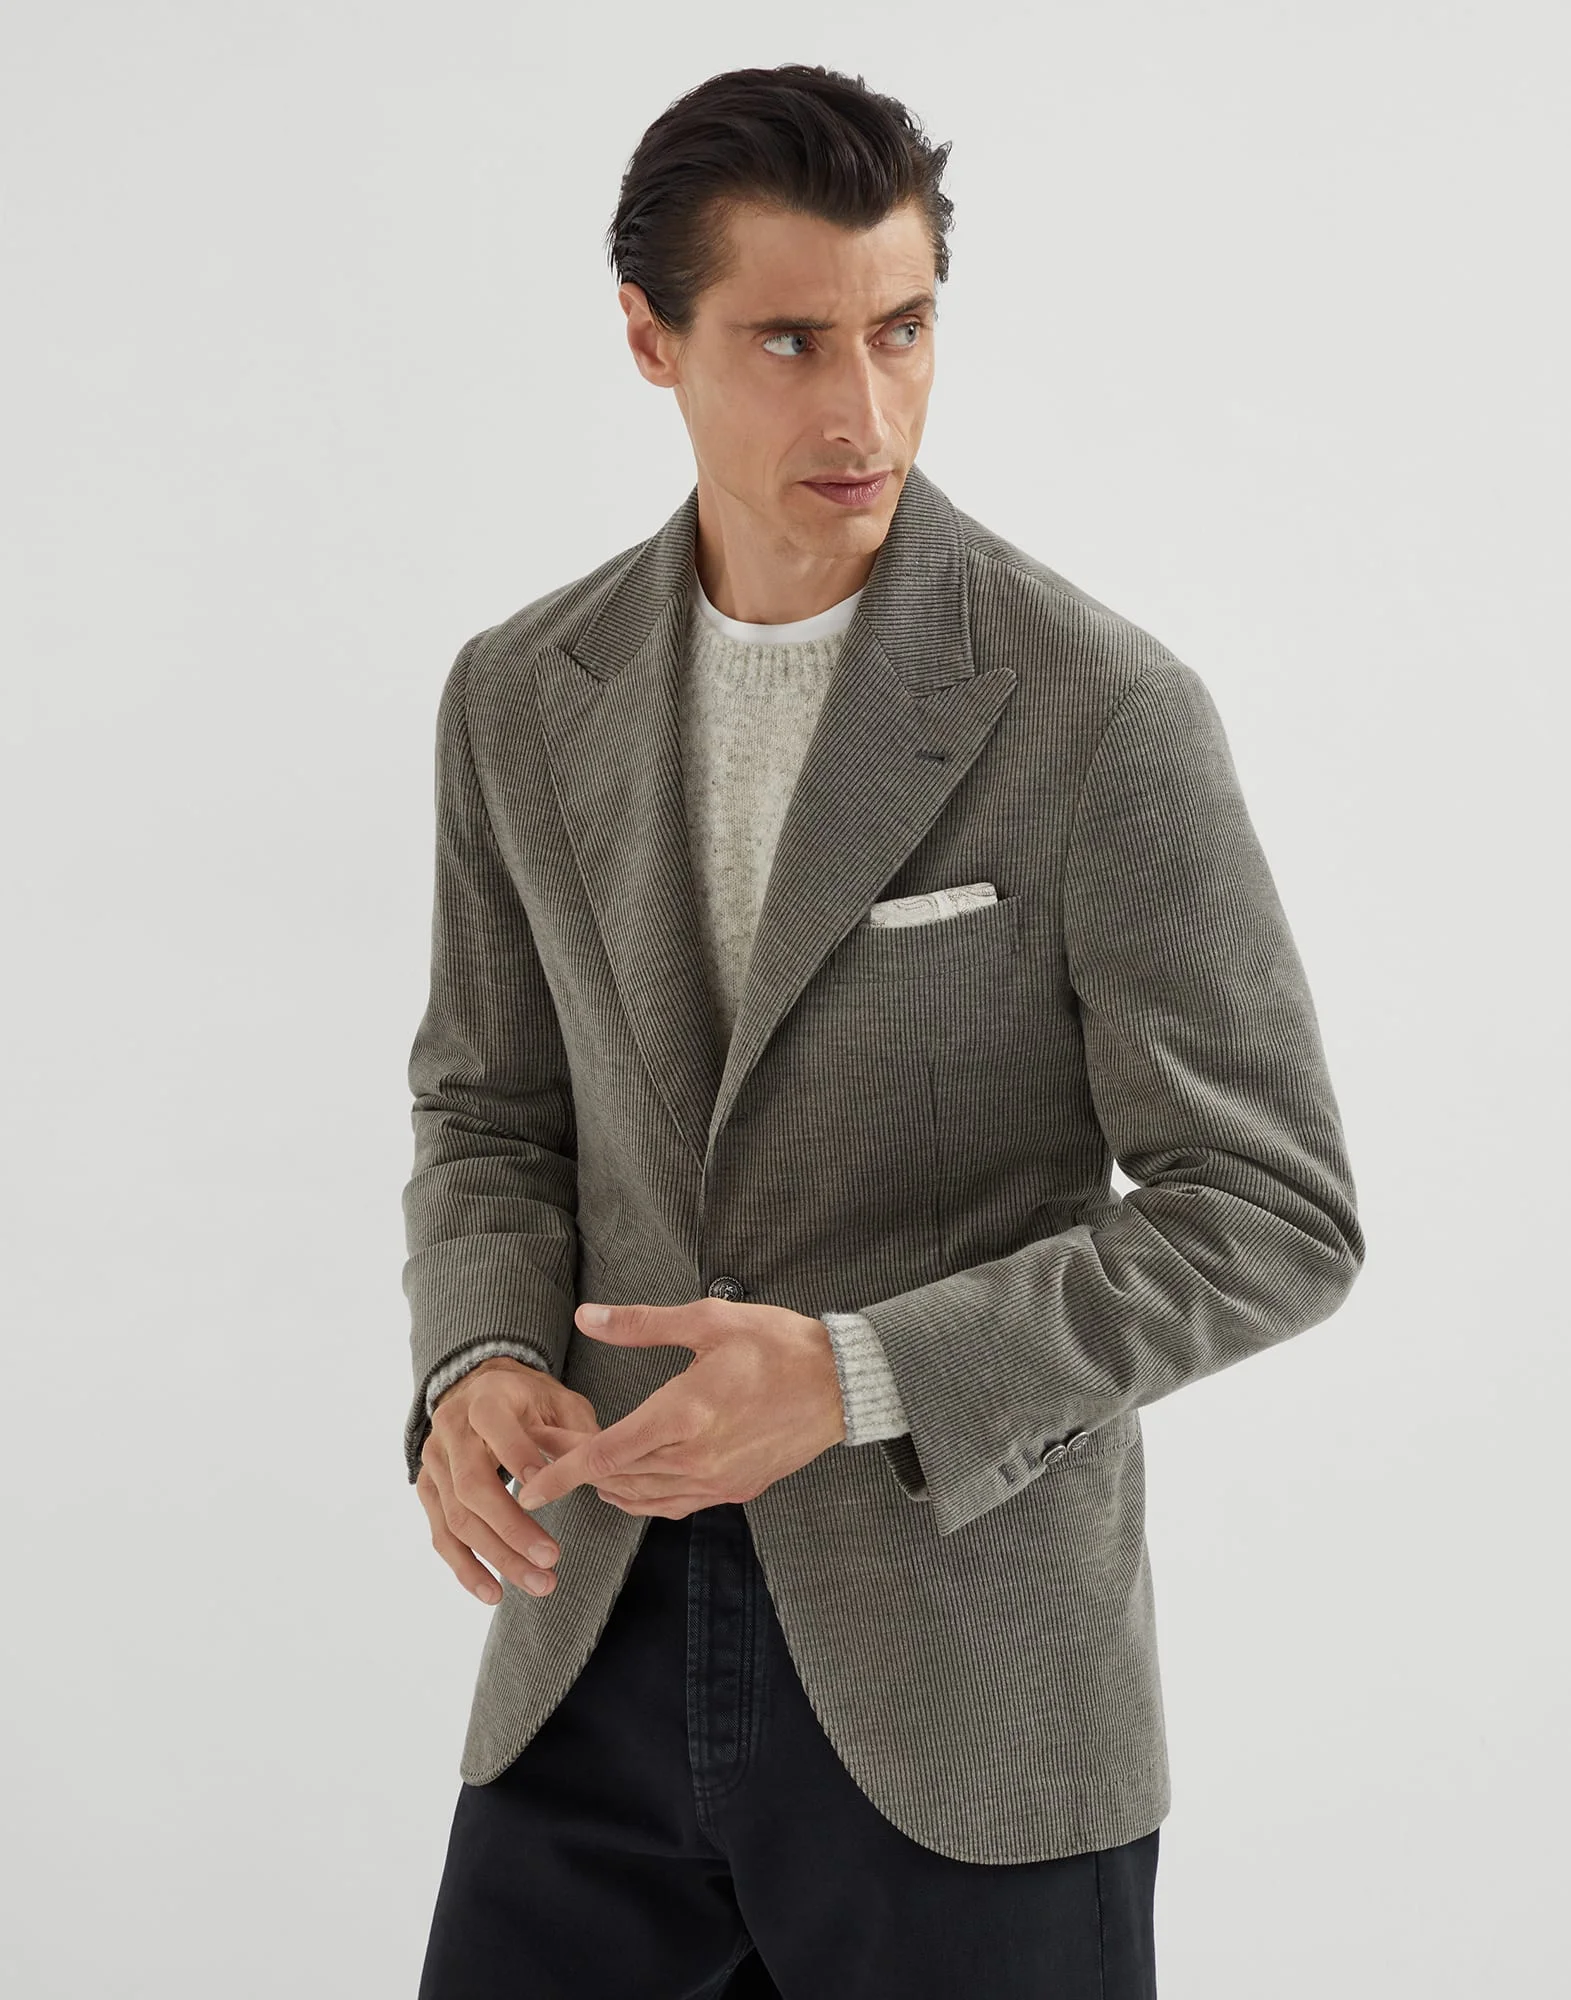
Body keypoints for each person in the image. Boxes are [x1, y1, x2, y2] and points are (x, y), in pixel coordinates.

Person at [402, 62, 1365, 2000]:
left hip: (969, 1695)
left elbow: (1270, 1213)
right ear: (648, 338)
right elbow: (490, 1109)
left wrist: (855, 1376)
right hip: (586, 1656)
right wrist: (475, 1359)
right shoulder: (516, 694)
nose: (861, 410)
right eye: (788, 341)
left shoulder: (1097, 709)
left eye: (901, 328)